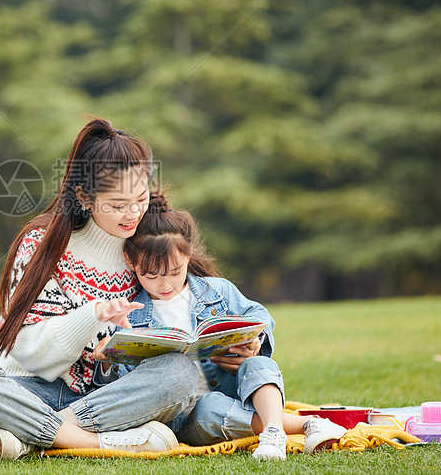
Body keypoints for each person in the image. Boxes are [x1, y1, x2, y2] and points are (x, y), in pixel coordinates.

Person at [0, 118, 200, 459]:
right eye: (118, 205)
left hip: (106, 398)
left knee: (180, 374)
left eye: (140, 199)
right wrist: (92, 315)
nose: (133, 213)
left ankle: (31, 435)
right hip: (28, 390)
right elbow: (29, 352)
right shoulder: (44, 244)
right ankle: (92, 442)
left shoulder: (145, 246)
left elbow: (201, 296)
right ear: (84, 197)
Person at [94, 193, 348, 460]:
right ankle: (307, 425)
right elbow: (123, 388)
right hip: (189, 415)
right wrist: (107, 360)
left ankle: (274, 433)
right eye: (151, 275)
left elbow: (258, 316)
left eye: (174, 272)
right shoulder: (130, 315)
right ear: (130, 262)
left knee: (259, 365)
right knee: (210, 406)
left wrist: (254, 341)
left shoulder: (216, 291)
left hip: (236, 389)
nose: (165, 285)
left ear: (188, 254)